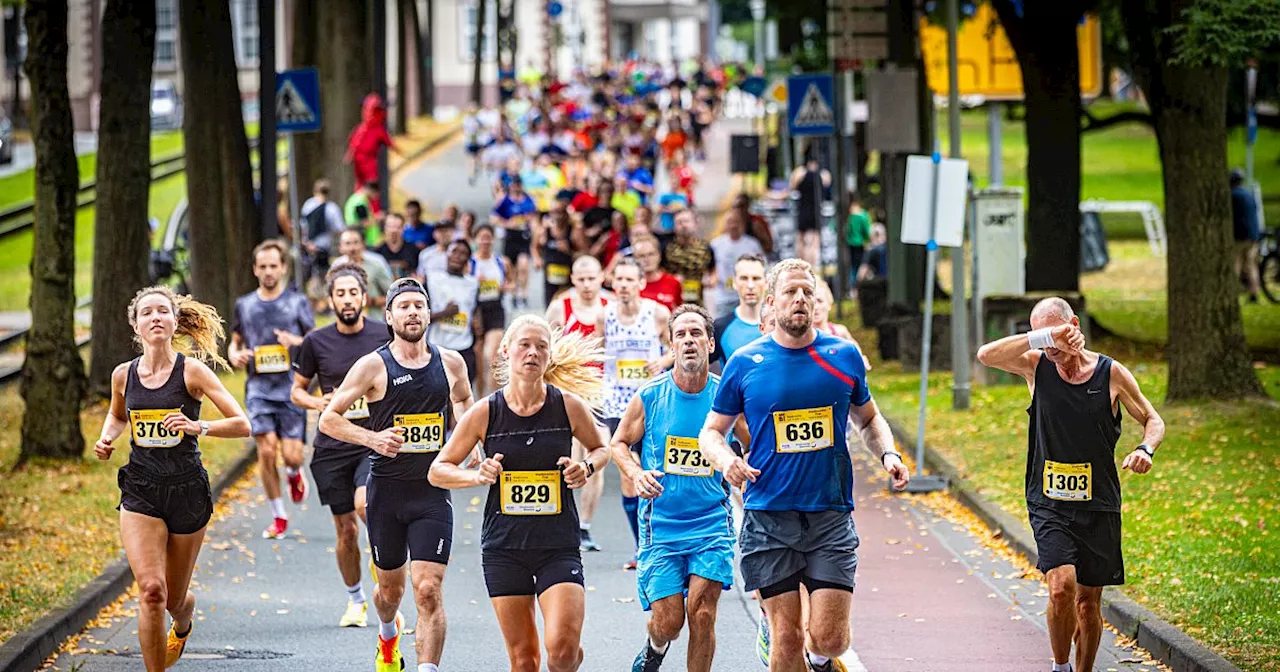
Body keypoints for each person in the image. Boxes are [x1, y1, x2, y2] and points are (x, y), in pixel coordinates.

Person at [698, 259, 910, 672]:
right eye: (792, 292)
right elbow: (711, 432)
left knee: (830, 638)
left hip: (829, 514)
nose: (800, 299)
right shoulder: (745, 361)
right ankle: (776, 630)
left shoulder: (842, 355)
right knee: (788, 636)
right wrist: (726, 462)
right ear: (773, 302)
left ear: (816, 303)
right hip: (768, 516)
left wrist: (888, 454)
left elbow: (867, 418)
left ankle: (821, 660)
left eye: (807, 293)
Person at [976, 297, 1165, 672]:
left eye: (1055, 336)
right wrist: (1042, 338)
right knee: (1061, 587)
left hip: (1099, 500)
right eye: (1041, 339)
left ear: (1073, 326)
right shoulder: (1036, 366)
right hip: (1048, 498)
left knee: (1087, 602)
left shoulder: (1110, 373)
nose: (1050, 349)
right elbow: (986, 355)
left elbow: (1152, 419)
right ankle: (1060, 667)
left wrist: (1146, 448)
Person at [429, 315, 611, 672]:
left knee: (561, 651)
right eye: (524, 345)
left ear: (550, 356)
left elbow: (600, 448)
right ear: (505, 351)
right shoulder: (486, 412)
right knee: (524, 660)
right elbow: (438, 470)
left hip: (557, 545)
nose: (532, 353)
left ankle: (571, 656)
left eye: (541, 346)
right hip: (504, 548)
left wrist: (586, 467)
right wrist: (477, 476)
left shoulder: (568, 406)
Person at [318, 278, 474, 672]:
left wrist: (471, 446)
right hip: (386, 495)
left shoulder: (451, 362)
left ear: (427, 313)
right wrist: (372, 438)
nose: (412, 312)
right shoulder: (373, 365)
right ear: (388, 316)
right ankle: (388, 635)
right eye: (403, 306)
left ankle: (427, 667)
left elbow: (466, 405)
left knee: (427, 589)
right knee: (390, 591)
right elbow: (329, 419)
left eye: (419, 305)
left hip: (432, 493)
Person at [94, 287, 250, 672]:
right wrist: (107, 437)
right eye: (147, 313)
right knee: (151, 592)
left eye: (163, 311)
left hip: (187, 491)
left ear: (174, 321)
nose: (155, 318)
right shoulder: (123, 375)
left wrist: (198, 426)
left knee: (174, 598)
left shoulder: (192, 372)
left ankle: (184, 617)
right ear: (137, 326)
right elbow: (117, 415)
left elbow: (242, 424)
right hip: (140, 489)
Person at [611, 305, 750, 672]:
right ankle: (655, 648)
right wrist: (637, 473)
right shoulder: (652, 395)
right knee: (670, 622)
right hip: (663, 525)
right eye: (681, 335)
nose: (689, 341)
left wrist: (745, 468)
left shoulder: (726, 398)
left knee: (702, 613)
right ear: (671, 345)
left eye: (696, 334)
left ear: (709, 342)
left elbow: (752, 443)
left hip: (710, 522)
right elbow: (619, 443)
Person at [290, 265, 390, 628]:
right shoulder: (316, 342)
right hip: (332, 445)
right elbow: (297, 390)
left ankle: (388, 594)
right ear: (330, 300)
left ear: (364, 297)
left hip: (373, 440)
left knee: (368, 507)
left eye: (353, 293)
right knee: (346, 530)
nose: (347, 299)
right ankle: (356, 600)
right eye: (340, 294)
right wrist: (318, 403)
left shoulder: (385, 335)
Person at [227, 240, 315, 539]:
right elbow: (235, 341)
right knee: (265, 451)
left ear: (283, 268)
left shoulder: (297, 302)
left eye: (273, 266)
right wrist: (233, 354)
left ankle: (293, 472)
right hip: (259, 390)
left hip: (290, 389)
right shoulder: (245, 304)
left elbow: (315, 343)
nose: (267, 271)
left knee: (291, 456)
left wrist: (297, 342)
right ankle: (279, 517)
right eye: (262, 266)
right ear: (255, 269)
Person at [597, 259, 673, 570]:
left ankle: (660, 541)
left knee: (653, 471)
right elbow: (597, 352)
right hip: (617, 402)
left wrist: (663, 363)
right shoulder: (605, 315)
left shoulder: (657, 313)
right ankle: (642, 548)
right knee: (630, 477)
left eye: (631, 280)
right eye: (620, 280)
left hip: (651, 401)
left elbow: (673, 348)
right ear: (613, 283)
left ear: (642, 283)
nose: (625, 285)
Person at [545, 254, 611, 552]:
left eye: (591, 278)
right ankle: (564, 520)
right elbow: (543, 344)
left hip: (602, 392)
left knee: (598, 455)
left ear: (601, 278)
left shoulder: (611, 307)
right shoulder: (562, 306)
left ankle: (584, 525)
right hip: (568, 393)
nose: (586, 285)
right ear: (573, 279)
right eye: (581, 279)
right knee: (571, 457)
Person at [426, 240, 483, 386]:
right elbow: (421, 317)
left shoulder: (473, 284)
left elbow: (475, 311)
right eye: (454, 251)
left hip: (464, 347)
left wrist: (477, 326)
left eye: (463, 253)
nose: (458, 256)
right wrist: (444, 313)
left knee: (462, 395)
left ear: (468, 259)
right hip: (437, 347)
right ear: (447, 254)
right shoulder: (432, 279)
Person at [471, 224, 512, 395]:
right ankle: (481, 399)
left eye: (488, 237)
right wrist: (475, 282)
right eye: (482, 237)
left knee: (493, 356)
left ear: (493, 239)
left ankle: (495, 398)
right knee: (479, 359)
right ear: (476, 240)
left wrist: (505, 287)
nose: (485, 241)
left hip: (495, 307)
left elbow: (512, 282)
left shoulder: (501, 262)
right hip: (476, 310)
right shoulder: (470, 262)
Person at [711, 253, 766, 369]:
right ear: (735, 283)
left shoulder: (780, 325)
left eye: (756, 278)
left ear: (766, 283)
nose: (750, 285)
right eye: (744, 278)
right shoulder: (720, 327)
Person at [492, 176, 540, 309]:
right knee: (511, 268)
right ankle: (513, 294)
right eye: (514, 185)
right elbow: (494, 218)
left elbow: (534, 219)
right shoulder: (505, 201)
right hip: (510, 238)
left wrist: (535, 244)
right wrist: (507, 223)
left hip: (524, 237)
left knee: (523, 266)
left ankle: (523, 294)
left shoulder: (528, 200)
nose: (516, 187)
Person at [709, 210, 765, 319]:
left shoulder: (752, 244)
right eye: (730, 222)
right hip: (723, 297)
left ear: (742, 224)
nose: (733, 225)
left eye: (736, 222)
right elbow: (711, 268)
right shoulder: (716, 244)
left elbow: (762, 266)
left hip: (747, 295)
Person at [663, 208, 716, 307]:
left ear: (696, 224)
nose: (683, 225)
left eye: (686, 221)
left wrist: (711, 280)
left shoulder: (705, 248)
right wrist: (671, 279)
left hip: (697, 299)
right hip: (672, 299)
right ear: (674, 226)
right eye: (679, 222)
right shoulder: (666, 248)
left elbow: (713, 269)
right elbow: (659, 270)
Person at [334, 227, 395, 313]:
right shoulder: (337, 266)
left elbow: (393, 295)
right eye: (347, 243)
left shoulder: (377, 262)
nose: (352, 248)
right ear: (340, 247)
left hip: (373, 319)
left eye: (356, 242)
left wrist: (372, 301)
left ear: (363, 244)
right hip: (345, 319)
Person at [789, 151, 831, 271]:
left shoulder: (800, 173)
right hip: (816, 210)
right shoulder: (823, 175)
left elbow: (792, 186)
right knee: (814, 242)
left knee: (801, 240)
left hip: (803, 209)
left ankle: (800, 265)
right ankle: (811, 268)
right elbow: (828, 185)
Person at [300, 178, 347, 275]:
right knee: (323, 275)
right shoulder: (332, 208)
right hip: (323, 248)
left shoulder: (308, 205)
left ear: (314, 191)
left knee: (309, 275)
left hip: (308, 246)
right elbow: (340, 229)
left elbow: (303, 226)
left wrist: (306, 243)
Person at [1230, 168, 1262, 303]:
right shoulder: (1249, 195)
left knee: (1235, 264)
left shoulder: (1232, 196)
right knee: (1251, 265)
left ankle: (1232, 293)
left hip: (1239, 236)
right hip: (1253, 236)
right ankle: (1254, 293)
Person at [537, 208, 576, 303]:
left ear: (566, 215)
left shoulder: (573, 231)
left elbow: (585, 253)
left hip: (568, 271)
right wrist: (537, 258)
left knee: (567, 300)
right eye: (553, 212)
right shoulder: (544, 230)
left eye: (560, 212)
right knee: (550, 300)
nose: (557, 216)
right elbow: (535, 246)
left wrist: (569, 251)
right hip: (550, 271)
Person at [634, 236, 681, 311]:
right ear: (635, 259)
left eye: (651, 254)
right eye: (641, 256)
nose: (647, 259)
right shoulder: (630, 283)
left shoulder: (673, 283)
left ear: (659, 255)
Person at [375, 213, 420, 279]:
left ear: (403, 228)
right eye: (390, 227)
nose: (394, 230)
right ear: (385, 228)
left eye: (397, 227)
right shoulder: (378, 253)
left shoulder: (414, 251)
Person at [844, 195, 871, 290]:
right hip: (860, 244)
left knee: (853, 267)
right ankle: (858, 287)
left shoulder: (848, 215)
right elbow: (867, 232)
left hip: (850, 244)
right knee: (861, 267)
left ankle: (851, 287)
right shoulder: (863, 215)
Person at [345, 181, 382, 247]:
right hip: (364, 241)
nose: (375, 197)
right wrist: (377, 218)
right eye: (376, 194)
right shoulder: (360, 201)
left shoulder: (356, 198)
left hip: (359, 238)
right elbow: (364, 223)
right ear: (372, 190)